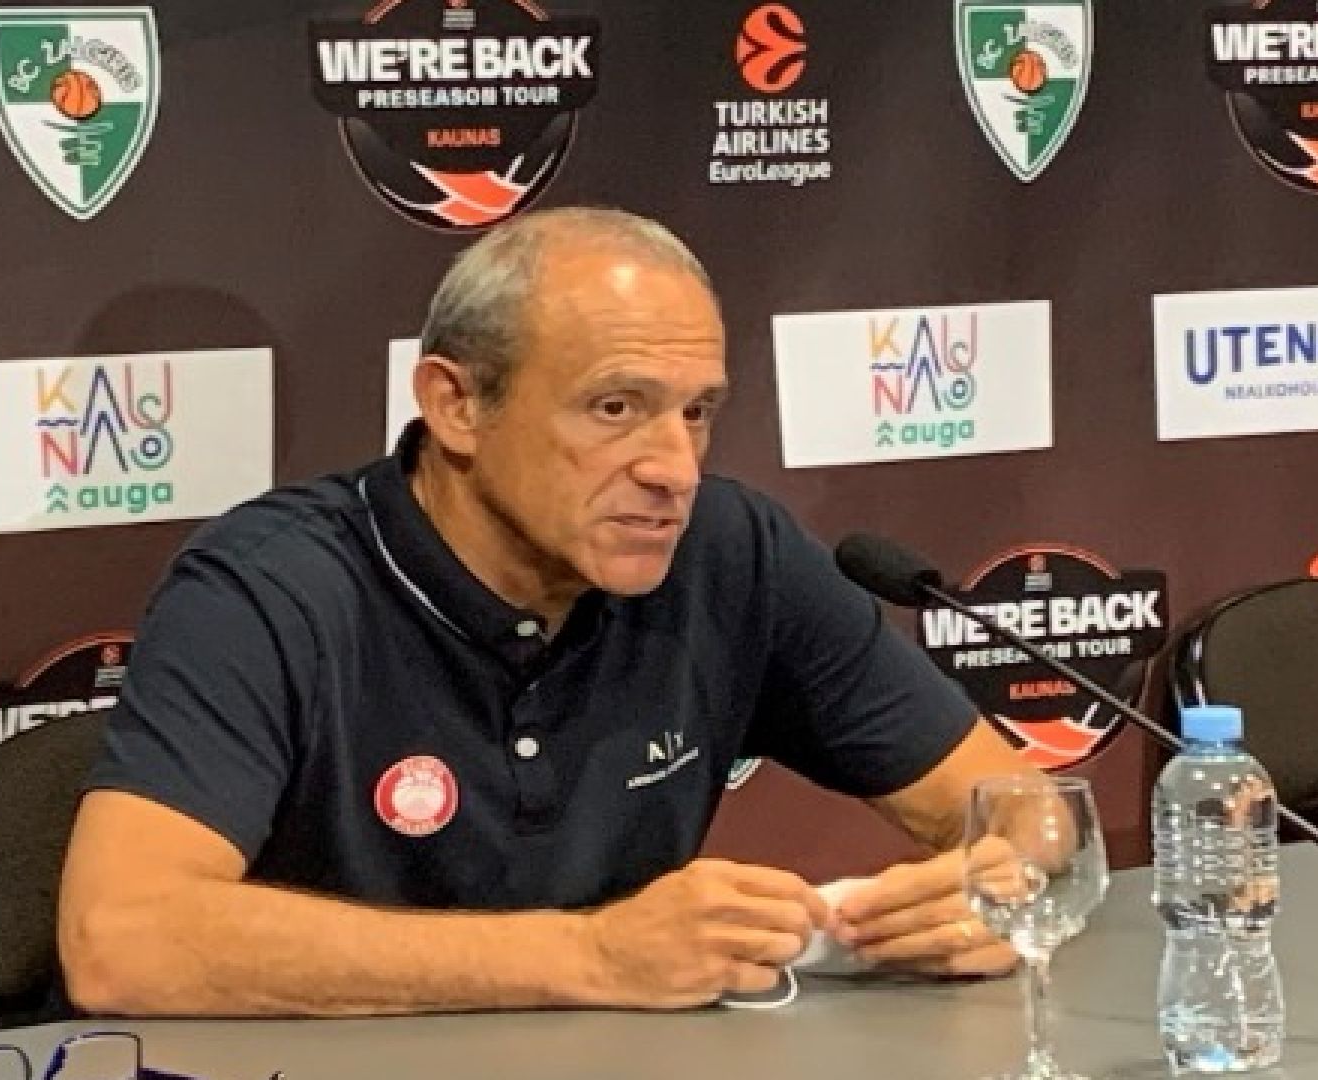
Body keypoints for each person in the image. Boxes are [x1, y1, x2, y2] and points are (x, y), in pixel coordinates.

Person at [58, 206, 1042, 1017]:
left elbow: (1029, 811)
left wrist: (993, 894)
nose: (674, 467)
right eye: (615, 408)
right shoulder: (269, 588)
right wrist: (594, 957)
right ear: (456, 406)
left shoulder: (733, 554)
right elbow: (123, 941)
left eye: (696, 411)